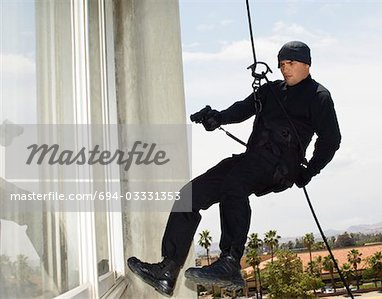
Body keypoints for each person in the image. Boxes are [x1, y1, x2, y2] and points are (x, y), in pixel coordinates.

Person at [127, 41, 341, 297]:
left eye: (291, 63)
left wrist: (309, 171)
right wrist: (217, 117)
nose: (285, 69)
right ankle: (167, 270)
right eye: (282, 64)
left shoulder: (319, 97)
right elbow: (243, 108)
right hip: (251, 159)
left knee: (234, 184)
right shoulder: (270, 90)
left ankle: (229, 262)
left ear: (307, 63)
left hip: (279, 167)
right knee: (190, 195)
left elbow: (331, 140)